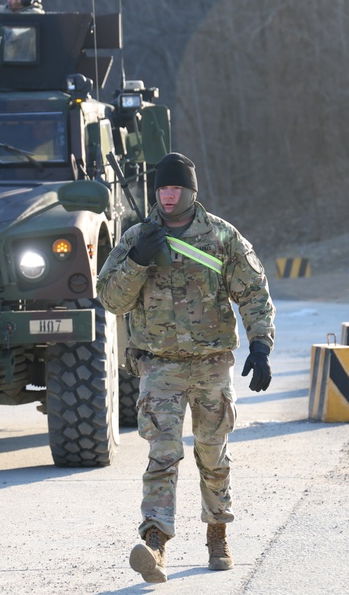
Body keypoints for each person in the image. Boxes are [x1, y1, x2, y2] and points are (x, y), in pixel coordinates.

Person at [96, 152, 275, 583]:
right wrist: (137, 260)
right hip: (159, 367)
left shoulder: (220, 237)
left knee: (213, 455)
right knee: (163, 455)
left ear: (191, 191)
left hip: (212, 364)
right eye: (162, 188)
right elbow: (110, 300)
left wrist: (261, 344)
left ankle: (218, 534)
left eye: (176, 188)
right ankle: (155, 544)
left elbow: (253, 291)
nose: (168, 195)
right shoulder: (137, 236)